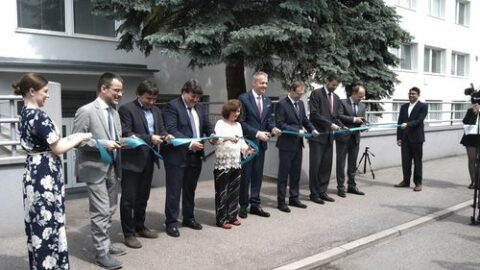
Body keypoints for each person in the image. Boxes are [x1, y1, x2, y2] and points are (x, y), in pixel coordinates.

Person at [15, 73, 92, 270]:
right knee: (47, 223)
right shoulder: (38, 116)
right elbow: (57, 148)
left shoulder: (24, 114)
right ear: (31, 92)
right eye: (45, 92)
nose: (47, 96)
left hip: (33, 172)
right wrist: (82, 135)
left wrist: (75, 137)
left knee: (39, 223)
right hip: (44, 175)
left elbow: (53, 144)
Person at [72, 72, 125, 269]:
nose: (120, 94)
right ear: (104, 88)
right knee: (101, 211)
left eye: (121, 91)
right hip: (94, 169)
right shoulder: (86, 111)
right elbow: (78, 141)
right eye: (116, 90)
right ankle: (101, 253)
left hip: (112, 166)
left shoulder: (114, 112)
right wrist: (104, 143)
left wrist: (130, 142)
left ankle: (106, 244)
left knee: (110, 209)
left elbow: (116, 139)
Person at [118, 80, 172, 248]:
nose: (151, 102)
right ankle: (128, 233)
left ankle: (140, 226)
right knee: (128, 199)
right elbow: (126, 132)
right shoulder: (126, 109)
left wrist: (166, 136)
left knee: (143, 197)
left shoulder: (156, 110)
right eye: (148, 98)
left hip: (150, 159)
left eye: (154, 99)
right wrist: (150, 138)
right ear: (138, 94)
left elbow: (161, 130)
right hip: (132, 161)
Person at [161, 79, 214, 237]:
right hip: (176, 156)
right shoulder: (172, 106)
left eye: (198, 97)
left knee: (190, 189)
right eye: (193, 96)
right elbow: (171, 129)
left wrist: (211, 135)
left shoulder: (200, 107)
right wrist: (190, 143)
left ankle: (188, 218)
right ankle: (171, 222)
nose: (195, 100)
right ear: (183, 92)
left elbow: (206, 125)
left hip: (195, 156)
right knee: (174, 190)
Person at [238, 71, 281, 218]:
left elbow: (268, 121)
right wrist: (257, 133)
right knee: (245, 176)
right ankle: (243, 205)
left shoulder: (267, 100)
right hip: (248, 145)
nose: (265, 86)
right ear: (254, 83)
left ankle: (255, 204)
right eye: (262, 82)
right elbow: (241, 122)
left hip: (261, 146)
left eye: (266, 83)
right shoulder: (243, 99)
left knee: (257, 176)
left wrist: (273, 128)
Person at [275, 82, 317, 213]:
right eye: (299, 93)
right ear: (292, 91)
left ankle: (294, 198)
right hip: (286, 145)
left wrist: (312, 129)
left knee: (295, 173)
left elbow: (304, 120)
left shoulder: (301, 104)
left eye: (302, 93)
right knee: (283, 174)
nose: (300, 96)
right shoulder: (282, 104)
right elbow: (280, 123)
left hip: (298, 144)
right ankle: (281, 202)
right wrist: (296, 130)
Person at [213, 100, 254, 228]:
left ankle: (232, 216)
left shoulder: (238, 125)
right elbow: (215, 139)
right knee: (222, 191)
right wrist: (228, 138)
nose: (237, 113)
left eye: (238, 111)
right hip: (223, 162)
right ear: (228, 111)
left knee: (234, 190)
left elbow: (241, 142)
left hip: (235, 162)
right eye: (234, 111)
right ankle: (222, 220)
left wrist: (247, 149)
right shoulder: (220, 123)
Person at [308, 74, 344, 204]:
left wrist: (342, 126)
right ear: (327, 81)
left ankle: (323, 192)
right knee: (315, 166)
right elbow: (314, 114)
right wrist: (330, 124)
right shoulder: (316, 94)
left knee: (326, 166)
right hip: (317, 137)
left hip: (329, 137)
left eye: (336, 86)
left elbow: (336, 116)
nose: (334, 87)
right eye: (333, 84)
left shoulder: (336, 97)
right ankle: (314, 194)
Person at [394, 87, 428, 192]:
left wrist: (407, 124)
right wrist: (399, 137)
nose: (411, 95)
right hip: (405, 138)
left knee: (417, 161)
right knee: (405, 161)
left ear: (418, 95)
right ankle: (405, 181)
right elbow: (399, 122)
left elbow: (419, 120)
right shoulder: (404, 107)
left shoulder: (423, 106)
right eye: (410, 93)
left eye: (413, 94)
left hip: (417, 138)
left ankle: (418, 183)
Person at [336, 85, 367, 197]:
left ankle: (352, 186)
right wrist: (354, 119)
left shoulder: (363, 106)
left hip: (355, 139)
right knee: (341, 164)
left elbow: (363, 120)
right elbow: (338, 116)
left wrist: (364, 125)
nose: (361, 98)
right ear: (353, 94)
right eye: (360, 96)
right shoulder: (342, 102)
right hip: (342, 138)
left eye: (363, 96)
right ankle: (340, 187)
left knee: (352, 164)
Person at [459, 104, 480, 189]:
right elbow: (465, 121)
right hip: (471, 136)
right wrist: (474, 112)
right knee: (472, 160)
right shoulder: (471, 110)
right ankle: (474, 181)